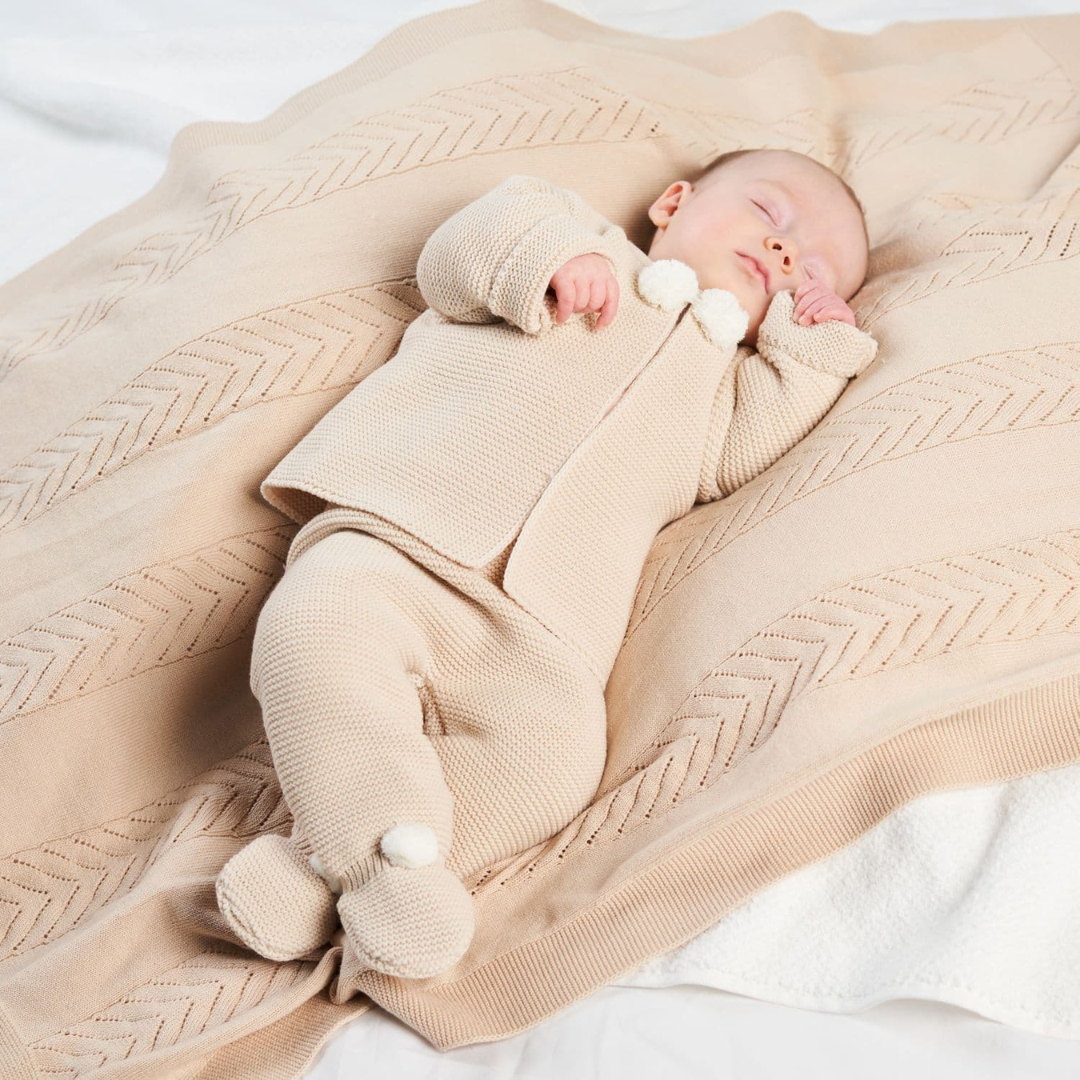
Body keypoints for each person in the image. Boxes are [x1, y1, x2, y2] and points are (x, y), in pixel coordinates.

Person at [215, 149, 879, 981]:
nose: (785, 253)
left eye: (814, 270)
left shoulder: (722, 386)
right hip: (403, 539)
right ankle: (376, 870)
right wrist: (544, 261)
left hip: (547, 634)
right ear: (675, 202)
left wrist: (813, 349)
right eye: (769, 214)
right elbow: (456, 258)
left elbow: (739, 452)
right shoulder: (571, 235)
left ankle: (330, 867)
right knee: (313, 632)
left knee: (553, 767)